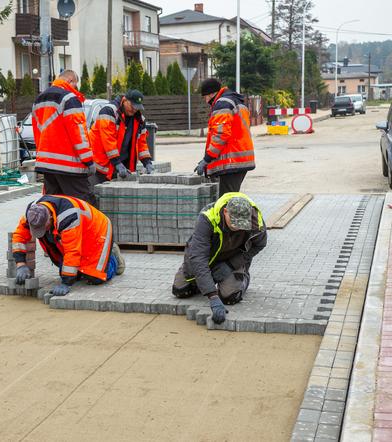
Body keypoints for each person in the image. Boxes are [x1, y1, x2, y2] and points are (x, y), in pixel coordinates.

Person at [171, 193, 267, 325]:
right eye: (234, 223)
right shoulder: (207, 218)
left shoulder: (256, 221)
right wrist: (213, 296)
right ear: (226, 211)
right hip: (208, 258)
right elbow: (199, 257)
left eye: (241, 224)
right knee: (180, 290)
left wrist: (231, 265)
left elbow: (259, 245)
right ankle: (204, 280)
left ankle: (242, 277)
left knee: (229, 297)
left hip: (233, 258)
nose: (237, 227)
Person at [11, 194, 125, 296]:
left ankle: (113, 256)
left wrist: (66, 283)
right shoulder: (32, 213)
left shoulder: (68, 217)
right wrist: (21, 264)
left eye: (43, 228)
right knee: (68, 273)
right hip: (77, 232)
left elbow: (72, 251)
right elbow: (19, 236)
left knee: (95, 277)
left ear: (50, 217)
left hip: (96, 231)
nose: (41, 231)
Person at [32, 70, 96, 204]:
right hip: (69, 165)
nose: (75, 89)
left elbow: (38, 133)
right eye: (75, 85)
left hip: (47, 164)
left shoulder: (39, 100)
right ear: (70, 81)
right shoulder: (69, 98)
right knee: (83, 206)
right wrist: (88, 161)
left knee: (52, 206)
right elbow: (78, 134)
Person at [195, 78, 255, 197]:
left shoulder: (222, 104)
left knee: (226, 202)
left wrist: (207, 159)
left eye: (205, 97)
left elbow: (220, 135)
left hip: (232, 162)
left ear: (212, 94)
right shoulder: (235, 101)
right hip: (239, 159)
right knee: (230, 199)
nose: (205, 100)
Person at [88, 89, 154, 185]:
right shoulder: (109, 111)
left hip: (120, 167)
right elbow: (108, 140)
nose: (134, 110)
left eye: (137, 107)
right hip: (100, 166)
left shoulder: (139, 120)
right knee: (95, 195)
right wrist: (117, 163)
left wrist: (147, 162)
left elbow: (142, 143)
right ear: (125, 100)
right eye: (132, 106)